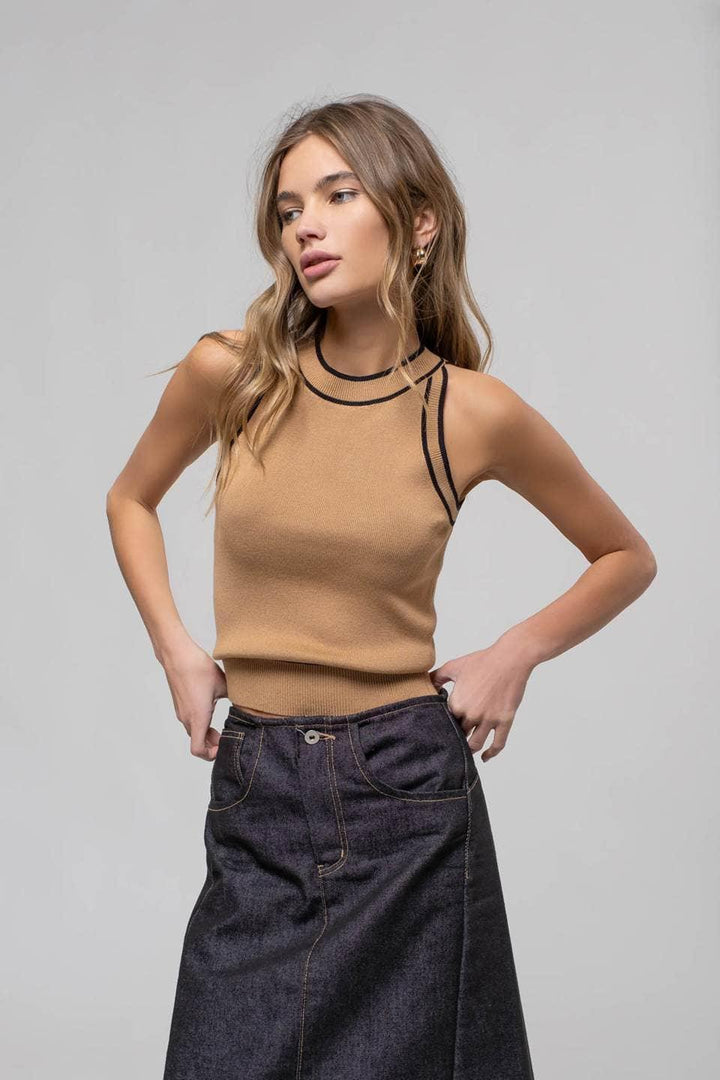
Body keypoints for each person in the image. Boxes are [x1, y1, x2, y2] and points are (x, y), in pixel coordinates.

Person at [105, 94, 657, 1080]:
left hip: (405, 792)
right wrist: (176, 648)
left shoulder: (468, 412)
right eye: (287, 209)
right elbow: (130, 498)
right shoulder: (232, 374)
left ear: (418, 222)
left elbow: (625, 556)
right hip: (259, 781)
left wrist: (516, 652)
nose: (305, 227)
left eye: (337, 195)